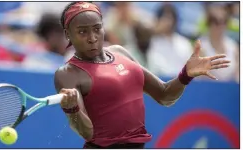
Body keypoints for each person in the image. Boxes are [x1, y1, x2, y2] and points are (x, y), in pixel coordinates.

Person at [54, 2, 230, 149]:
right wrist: (72, 110)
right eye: (82, 32)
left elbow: (165, 95)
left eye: (97, 29)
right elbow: (87, 132)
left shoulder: (120, 52)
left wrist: (186, 75)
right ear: (68, 34)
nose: (92, 37)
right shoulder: (68, 74)